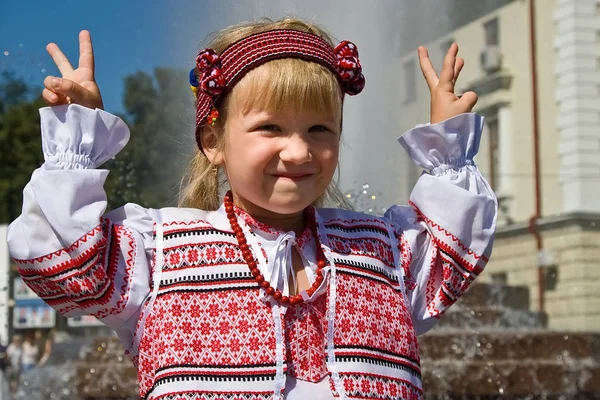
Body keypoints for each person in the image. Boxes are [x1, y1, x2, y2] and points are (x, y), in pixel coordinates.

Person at [6, 18, 496, 400]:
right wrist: (77, 138)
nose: (299, 152)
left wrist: (449, 147)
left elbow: (450, 245)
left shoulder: (384, 250)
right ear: (213, 141)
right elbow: (64, 263)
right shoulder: (158, 251)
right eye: (270, 128)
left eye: (320, 130)